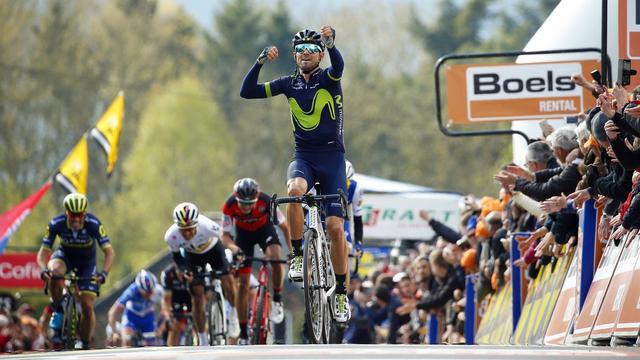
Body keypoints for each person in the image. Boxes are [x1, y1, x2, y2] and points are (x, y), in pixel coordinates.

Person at [240, 25, 350, 323]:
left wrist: (331, 43)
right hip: (303, 156)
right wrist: (259, 62)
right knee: (294, 189)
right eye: (299, 50)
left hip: (332, 159)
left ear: (320, 55)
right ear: (294, 55)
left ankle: (340, 291)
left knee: (337, 229)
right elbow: (246, 92)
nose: (304, 54)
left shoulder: (329, 78)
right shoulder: (288, 83)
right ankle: (299, 254)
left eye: (311, 49)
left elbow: (339, 66)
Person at [37, 192, 114, 349]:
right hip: (65, 257)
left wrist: (104, 273)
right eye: (73, 215)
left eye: (80, 215)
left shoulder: (93, 224)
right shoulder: (56, 224)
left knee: (87, 305)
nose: (77, 219)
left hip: (87, 263)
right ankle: (58, 308)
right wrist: (44, 269)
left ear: (84, 213)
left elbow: (109, 252)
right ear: (67, 213)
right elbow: (43, 253)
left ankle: (85, 342)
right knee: (55, 273)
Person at [221, 178, 291, 344]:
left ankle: (277, 300)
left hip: (264, 230)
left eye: (250, 203)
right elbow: (224, 236)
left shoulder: (266, 201)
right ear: (236, 198)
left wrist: (294, 251)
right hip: (243, 237)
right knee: (242, 285)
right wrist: (234, 249)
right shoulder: (229, 205)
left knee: (275, 256)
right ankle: (244, 333)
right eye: (242, 204)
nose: (246, 207)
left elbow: (285, 226)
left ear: (257, 198)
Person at [164, 202, 240, 346]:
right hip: (192, 257)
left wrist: (234, 254)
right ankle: (203, 338)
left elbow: (226, 238)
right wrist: (185, 270)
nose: (187, 233)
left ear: (196, 224)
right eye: (183, 230)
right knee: (196, 296)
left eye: (190, 229)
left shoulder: (207, 226)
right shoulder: (171, 236)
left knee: (228, 281)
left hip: (214, 251)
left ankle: (234, 314)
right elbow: (177, 258)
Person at [107, 270, 162, 347]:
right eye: (146, 292)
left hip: (148, 318)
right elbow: (113, 311)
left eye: (151, 291)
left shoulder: (159, 290)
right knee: (126, 339)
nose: (149, 294)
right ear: (139, 288)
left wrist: (161, 327)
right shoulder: (132, 291)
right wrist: (114, 333)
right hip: (132, 317)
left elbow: (166, 310)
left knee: (153, 344)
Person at [160, 264, 192, 346]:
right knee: (174, 325)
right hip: (175, 298)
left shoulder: (191, 272)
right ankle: (171, 350)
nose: (181, 277)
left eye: (183, 275)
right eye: (180, 274)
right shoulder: (168, 274)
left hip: (190, 295)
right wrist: (168, 318)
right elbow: (166, 300)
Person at [344, 160, 364, 254]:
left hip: (341, 215)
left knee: (347, 245)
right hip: (322, 213)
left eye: (346, 183)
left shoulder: (355, 188)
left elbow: (358, 218)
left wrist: (358, 243)